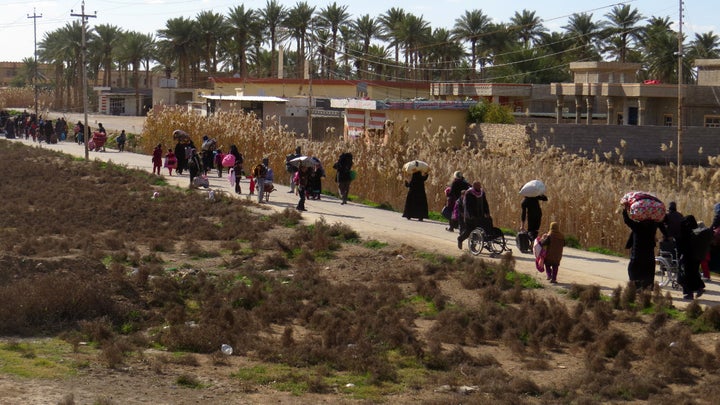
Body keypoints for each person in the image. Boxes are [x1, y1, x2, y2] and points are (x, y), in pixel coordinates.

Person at [622, 208, 660, 291]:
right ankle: (646, 289)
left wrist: (624, 211)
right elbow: (660, 221)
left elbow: (627, 221)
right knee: (647, 272)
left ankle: (636, 287)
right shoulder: (653, 226)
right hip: (649, 255)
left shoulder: (637, 226)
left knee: (633, 271)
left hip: (638, 254)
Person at [677, 215, 707, 300]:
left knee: (686, 274)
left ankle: (689, 294)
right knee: (694, 273)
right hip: (696, 256)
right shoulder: (697, 231)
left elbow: (681, 243)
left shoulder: (685, 230)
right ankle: (699, 288)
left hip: (687, 255)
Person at [457, 182, 491, 250]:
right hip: (469, 217)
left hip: (480, 215)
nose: (479, 186)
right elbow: (467, 206)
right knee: (469, 230)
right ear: (474, 186)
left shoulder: (482, 193)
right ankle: (460, 239)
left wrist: (487, 212)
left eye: (479, 185)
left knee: (483, 227)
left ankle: (474, 245)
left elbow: (485, 203)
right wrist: (471, 215)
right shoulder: (469, 193)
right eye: (477, 185)